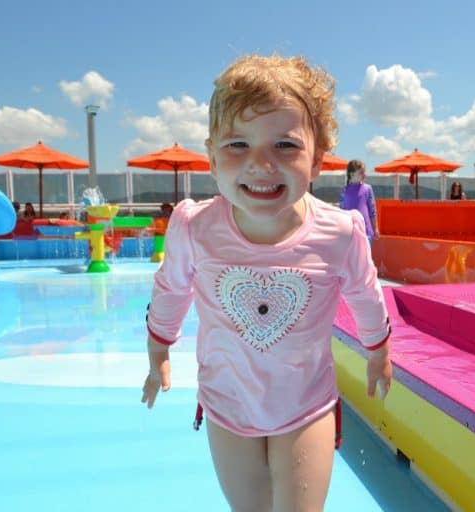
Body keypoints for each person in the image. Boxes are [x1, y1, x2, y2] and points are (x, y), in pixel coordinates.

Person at [141, 54, 392, 512]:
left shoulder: (339, 233)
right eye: (238, 144)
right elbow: (171, 290)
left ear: (317, 161)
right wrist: (158, 351)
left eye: (285, 145)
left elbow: (366, 294)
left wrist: (379, 351)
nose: (260, 163)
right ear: (211, 158)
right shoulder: (195, 228)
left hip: (306, 404)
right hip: (227, 404)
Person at [338, 159, 379, 242]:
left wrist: (375, 229)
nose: (364, 175)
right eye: (361, 172)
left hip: (366, 232)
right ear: (351, 174)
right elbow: (341, 212)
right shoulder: (344, 191)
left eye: (364, 172)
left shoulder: (367, 189)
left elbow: (372, 211)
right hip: (350, 233)